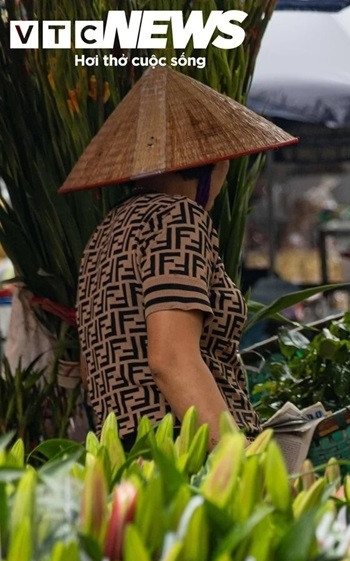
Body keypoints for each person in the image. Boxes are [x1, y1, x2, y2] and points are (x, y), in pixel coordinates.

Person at [62, 67, 297, 449]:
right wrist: (237, 461)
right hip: (187, 458)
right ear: (214, 163)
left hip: (130, 457)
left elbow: (95, 372)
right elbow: (170, 358)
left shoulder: (105, 232)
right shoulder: (176, 218)